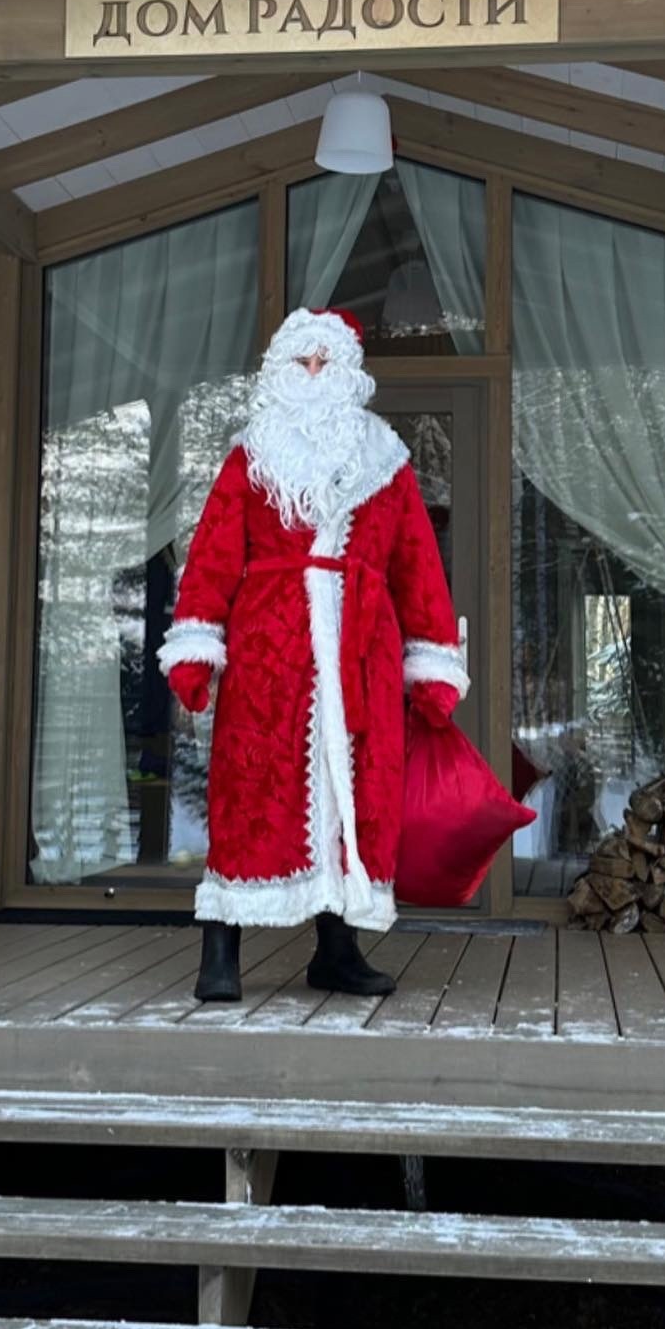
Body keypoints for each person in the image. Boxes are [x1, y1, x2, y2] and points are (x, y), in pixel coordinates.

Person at [157, 306, 468, 1002]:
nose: (316, 370)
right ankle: (220, 949)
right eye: (304, 359)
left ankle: (337, 950)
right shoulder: (252, 455)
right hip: (270, 656)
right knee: (249, 794)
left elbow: (417, 565)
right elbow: (212, 553)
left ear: (350, 370)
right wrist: (197, 643)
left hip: (362, 655)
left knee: (354, 796)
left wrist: (433, 662)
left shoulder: (385, 458)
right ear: (281, 370)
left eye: (328, 359)